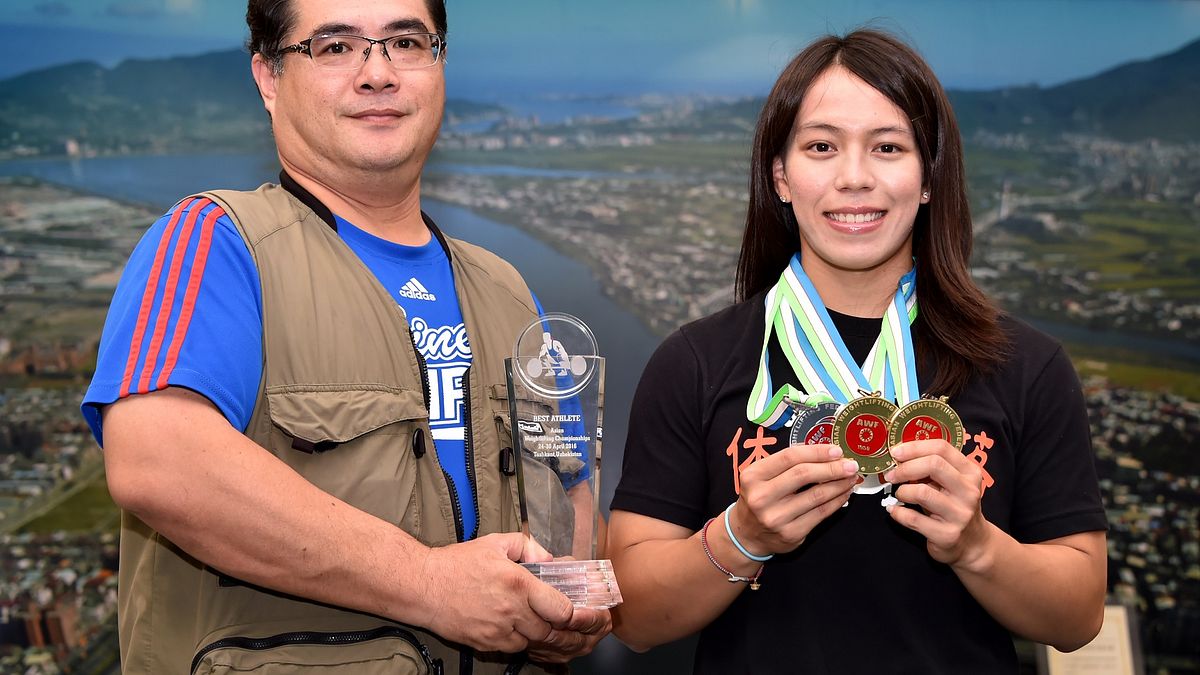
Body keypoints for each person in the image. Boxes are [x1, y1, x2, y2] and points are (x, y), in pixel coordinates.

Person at [82, 0, 610, 672]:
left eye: (406, 42)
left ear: (439, 63)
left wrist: (569, 598)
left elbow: (569, 485)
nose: (378, 73)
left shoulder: (508, 291)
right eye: (335, 47)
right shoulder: (218, 244)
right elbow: (157, 460)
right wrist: (430, 583)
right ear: (269, 77)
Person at [607, 29, 1107, 674]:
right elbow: (634, 619)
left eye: (888, 147)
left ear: (929, 177)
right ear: (781, 176)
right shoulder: (695, 363)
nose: (853, 178)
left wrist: (977, 545)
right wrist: (742, 537)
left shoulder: (1025, 367)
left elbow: (1076, 619)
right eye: (821, 147)